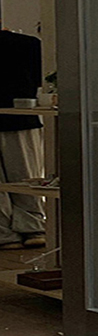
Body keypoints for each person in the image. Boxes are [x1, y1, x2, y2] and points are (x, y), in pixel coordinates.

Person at [0, 24, 46, 250]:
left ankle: (4, 233)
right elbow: (38, 80)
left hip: (19, 117)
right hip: (21, 116)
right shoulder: (29, 44)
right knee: (26, 175)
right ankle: (33, 226)